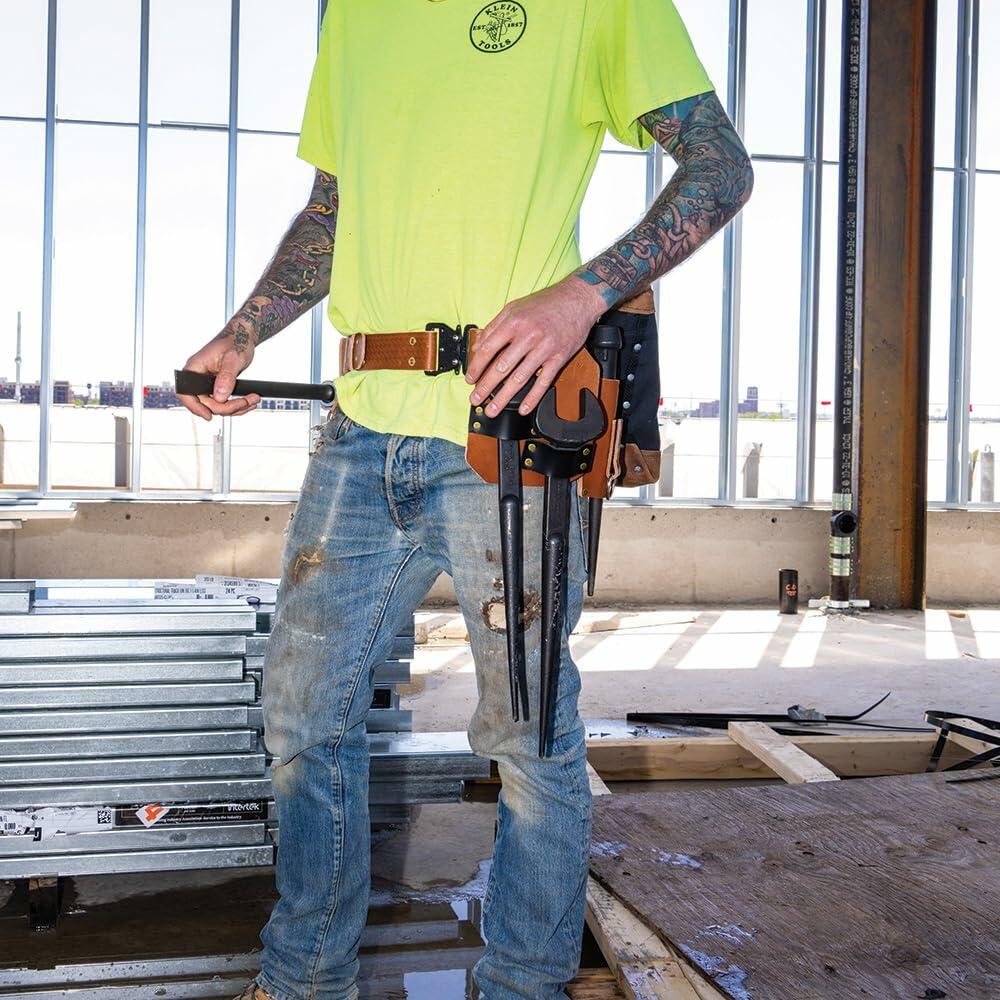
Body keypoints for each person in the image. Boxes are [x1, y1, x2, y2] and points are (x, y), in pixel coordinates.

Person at [178, 2, 752, 997]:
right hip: (359, 430)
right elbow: (333, 209)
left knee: (527, 737)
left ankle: (523, 986)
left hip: (513, 436)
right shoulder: (352, 16)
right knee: (301, 719)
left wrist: (581, 295)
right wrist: (246, 328)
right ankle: (303, 978)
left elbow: (718, 167)